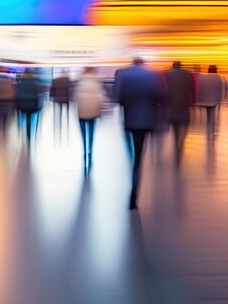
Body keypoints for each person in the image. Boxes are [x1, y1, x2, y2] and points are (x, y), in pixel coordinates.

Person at [114, 58, 164, 210]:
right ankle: (133, 196)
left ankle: (132, 192)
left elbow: (117, 97)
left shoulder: (123, 73)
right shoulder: (152, 74)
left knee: (133, 155)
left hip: (129, 119)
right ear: (143, 63)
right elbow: (160, 96)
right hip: (146, 121)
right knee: (139, 157)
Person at [74, 67, 105, 175]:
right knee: (91, 131)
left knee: (83, 132)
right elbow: (100, 98)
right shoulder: (96, 82)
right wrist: (99, 110)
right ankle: (90, 149)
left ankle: (84, 149)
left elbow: (75, 97)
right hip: (92, 111)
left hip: (81, 111)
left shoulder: (80, 82)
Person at [163, 61, 194, 164]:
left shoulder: (166, 74)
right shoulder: (187, 74)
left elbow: (164, 90)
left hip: (171, 104)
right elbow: (191, 89)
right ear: (180, 66)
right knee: (184, 123)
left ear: (172, 66)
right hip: (184, 104)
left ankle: (176, 142)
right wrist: (192, 101)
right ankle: (180, 142)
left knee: (175, 125)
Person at [16, 69, 42, 142]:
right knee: (29, 118)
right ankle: (29, 135)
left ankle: (23, 133)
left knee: (25, 118)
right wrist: (38, 105)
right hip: (31, 104)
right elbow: (37, 94)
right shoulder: (34, 82)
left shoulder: (21, 83)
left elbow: (18, 93)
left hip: (23, 104)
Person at [197, 65, 223, 137]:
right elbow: (219, 90)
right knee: (211, 116)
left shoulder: (202, 77)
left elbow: (200, 88)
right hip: (213, 100)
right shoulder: (218, 77)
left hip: (205, 100)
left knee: (208, 115)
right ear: (215, 70)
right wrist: (219, 100)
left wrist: (199, 99)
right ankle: (211, 131)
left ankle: (208, 129)